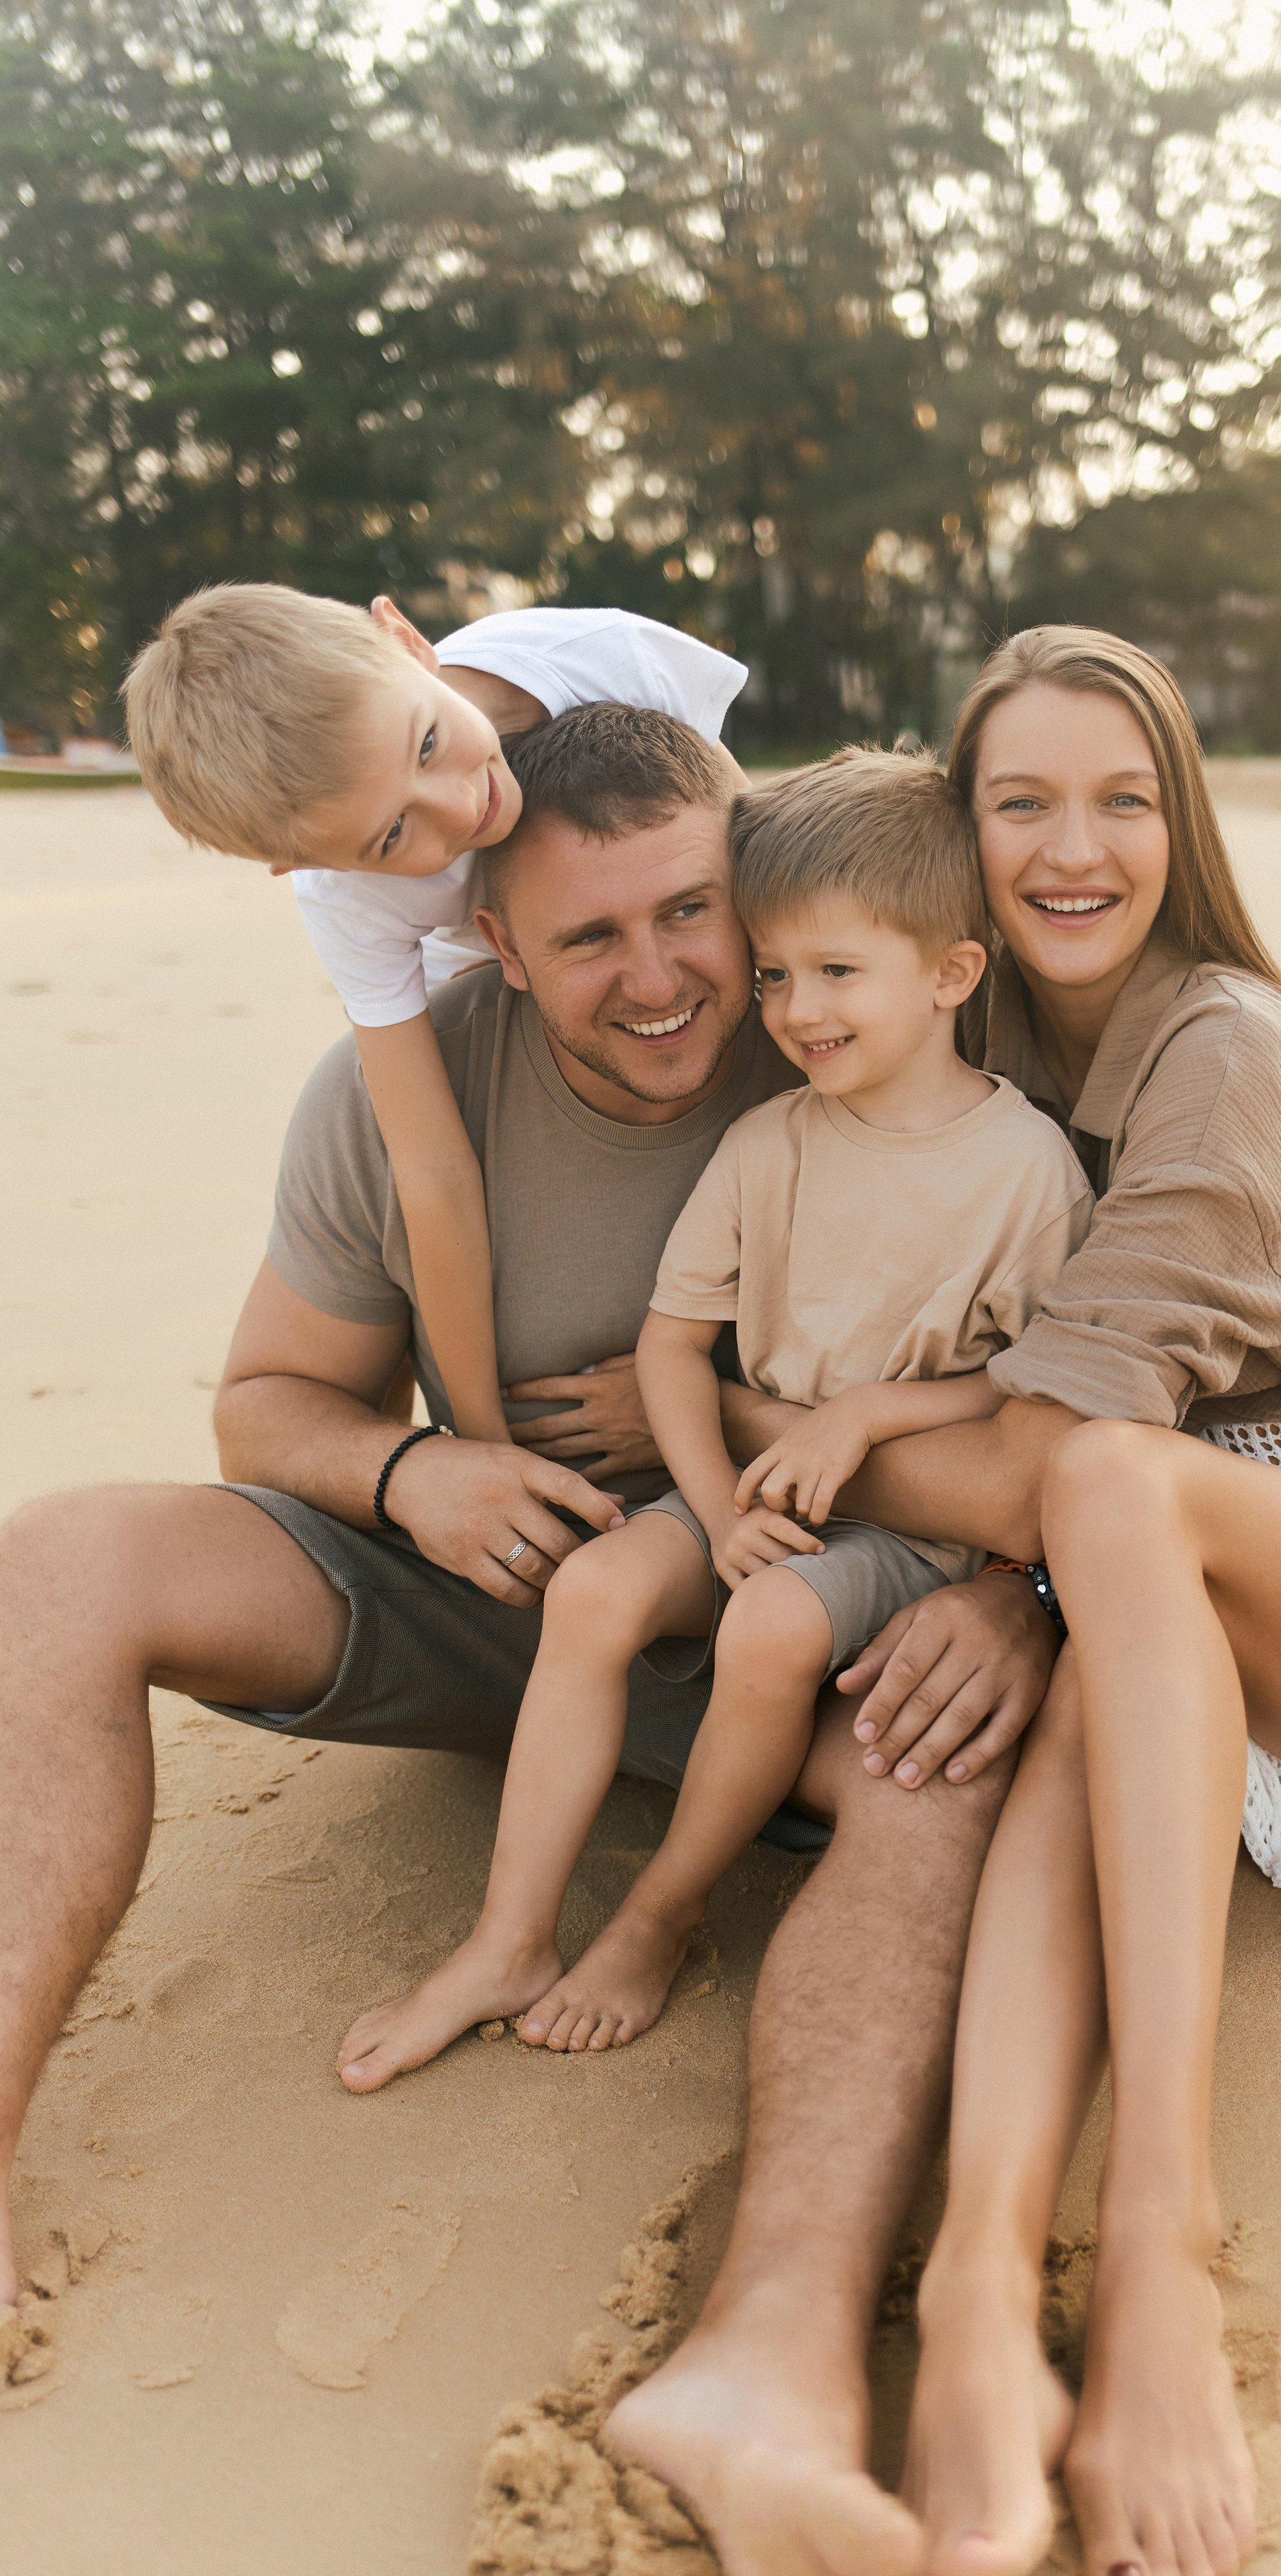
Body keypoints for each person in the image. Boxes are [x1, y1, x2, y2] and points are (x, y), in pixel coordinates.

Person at [0, 704, 1060, 2576]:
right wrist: (414, 1476)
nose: (663, 979)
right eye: (589, 938)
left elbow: (1089, 1392)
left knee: (944, 1761)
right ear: (496, 940)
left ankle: (774, 2359)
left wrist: (1000, 1589)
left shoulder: (867, 1021)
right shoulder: (397, 1098)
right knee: (61, 1558)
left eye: (690, 915)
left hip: (798, 1624)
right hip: (489, 1602)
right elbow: (264, 1406)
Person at [606, 631, 1281, 2576]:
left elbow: (1056, 1456)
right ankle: (976, 2297)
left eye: (1123, 797)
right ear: (966, 833)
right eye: (1021, 801)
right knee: (1079, 1713)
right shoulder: (974, 1024)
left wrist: (777, 1419)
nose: (1072, 847)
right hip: (1123, 1566)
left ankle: (1167, 2245)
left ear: (1179, 819)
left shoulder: (1222, 1046)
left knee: (1102, 1487)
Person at [333, 749, 1092, 2084]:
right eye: (781, 972)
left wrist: (867, 1413)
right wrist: (721, 1496)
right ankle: (507, 1937)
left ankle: (657, 1912)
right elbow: (671, 1349)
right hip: (758, 1486)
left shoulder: (1023, 1170)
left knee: (767, 1625)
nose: (796, 1010)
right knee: (595, 1591)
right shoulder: (773, 1142)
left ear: (950, 975)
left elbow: (1035, 1377)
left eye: (836, 975)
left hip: (914, 1528)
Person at [123, 586, 745, 1446]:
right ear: (301, 862)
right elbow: (435, 1174)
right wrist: (485, 1447)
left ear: (407, 642)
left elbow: (744, 851)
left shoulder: (602, 659)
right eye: (390, 836)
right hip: (490, 955)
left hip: (618, 894)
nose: (460, 809)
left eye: (427, 743)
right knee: (414, 1204)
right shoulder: (347, 897)